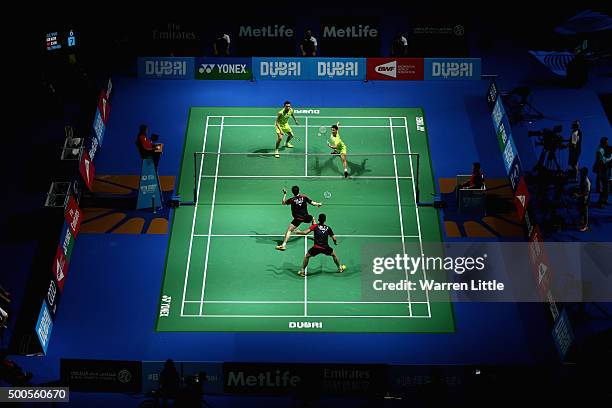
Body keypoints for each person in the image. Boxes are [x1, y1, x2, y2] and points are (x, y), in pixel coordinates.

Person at [275, 185, 322, 251]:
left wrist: (285, 194)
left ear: (292, 192)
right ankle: (317, 236)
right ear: (298, 191)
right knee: (313, 218)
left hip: (298, 219)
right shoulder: (304, 197)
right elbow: (312, 203)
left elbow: (283, 203)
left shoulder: (292, 200)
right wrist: (318, 204)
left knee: (289, 230)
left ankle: (283, 245)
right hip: (306, 217)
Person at [593, 137, 611, 207]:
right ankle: (601, 201)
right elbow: (601, 161)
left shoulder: (606, 149)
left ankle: (604, 200)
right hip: (603, 170)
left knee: (606, 186)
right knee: (605, 186)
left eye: (607, 142)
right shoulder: (600, 150)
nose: (607, 143)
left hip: (605, 170)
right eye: (606, 142)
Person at [577, 167, 591, 232]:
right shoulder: (582, 179)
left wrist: (579, 195)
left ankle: (585, 226)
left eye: (581, 172)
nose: (580, 173)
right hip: (582, 198)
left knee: (585, 213)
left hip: (585, 199)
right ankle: (582, 223)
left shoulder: (586, 181)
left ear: (584, 173)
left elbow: (586, 193)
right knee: (581, 211)